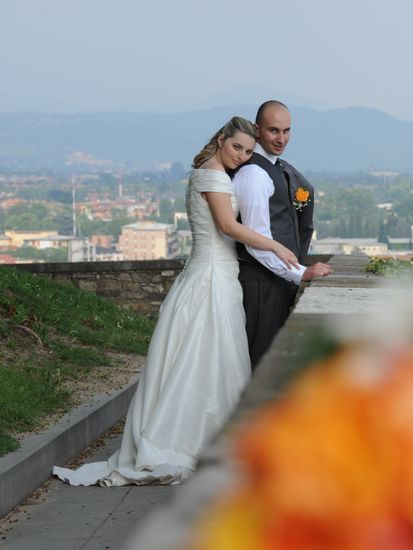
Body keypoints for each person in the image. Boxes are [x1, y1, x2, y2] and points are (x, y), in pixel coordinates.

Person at [53, 117, 299, 486]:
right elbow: (230, 228)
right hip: (212, 275)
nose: (242, 157)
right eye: (237, 148)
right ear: (221, 139)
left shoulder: (205, 171)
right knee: (209, 357)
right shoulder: (214, 177)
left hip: (212, 271)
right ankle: (196, 440)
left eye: (249, 152)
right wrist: (279, 246)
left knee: (208, 359)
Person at [233, 100, 331, 368]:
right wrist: (300, 273)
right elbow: (256, 241)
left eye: (287, 131)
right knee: (261, 362)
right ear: (257, 130)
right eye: (274, 131)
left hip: (274, 280)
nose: (281, 138)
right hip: (260, 284)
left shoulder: (276, 167)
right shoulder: (254, 173)